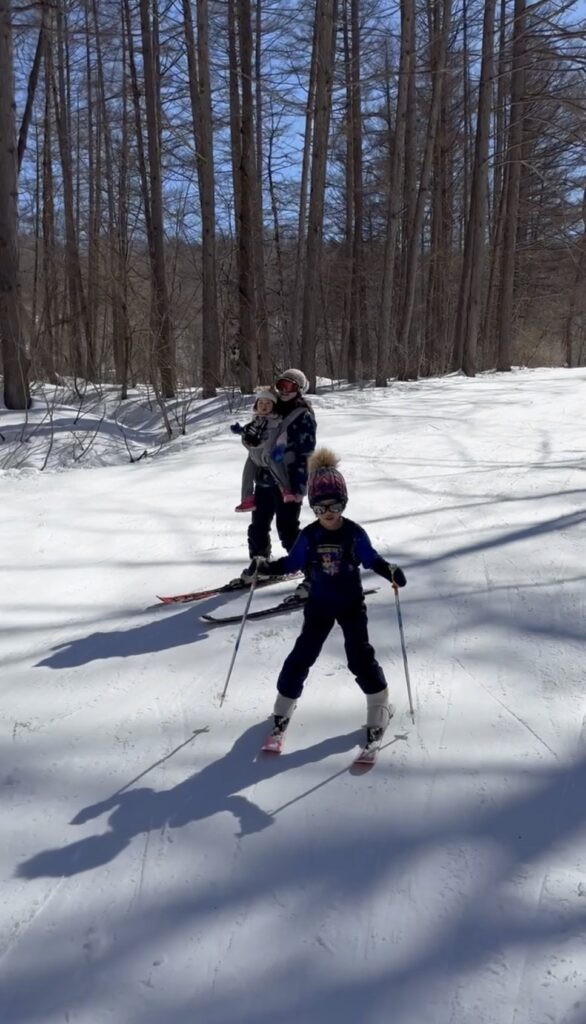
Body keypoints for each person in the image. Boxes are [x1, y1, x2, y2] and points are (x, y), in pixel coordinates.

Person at [255, 447, 407, 750]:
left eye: (335, 505)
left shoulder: (353, 533)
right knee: (301, 657)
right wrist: (266, 567)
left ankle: (379, 705)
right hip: (319, 606)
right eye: (321, 507)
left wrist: (389, 570)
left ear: (344, 503)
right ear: (313, 507)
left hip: (351, 604)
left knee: (359, 657)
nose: (328, 513)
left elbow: (372, 559)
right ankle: (283, 709)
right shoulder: (310, 535)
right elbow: (292, 564)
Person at [240, 368, 316, 588]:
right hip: (264, 478)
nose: (284, 390)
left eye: (290, 386)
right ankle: (260, 562)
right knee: (259, 524)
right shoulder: (272, 407)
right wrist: (251, 439)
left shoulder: (303, 413)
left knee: (287, 528)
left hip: (289, 480)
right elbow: (255, 439)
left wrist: (283, 449)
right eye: (281, 385)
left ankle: (313, 571)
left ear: (299, 389)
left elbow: (307, 447)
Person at [230, 389, 290, 512]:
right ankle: (247, 499)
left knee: (276, 464)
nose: (264, 406)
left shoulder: (276, 421)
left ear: (273, 406)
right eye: (261, 403)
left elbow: (283, 435)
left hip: (269, 455)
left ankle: (285, 490)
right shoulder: (254, 422)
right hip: (255, 457)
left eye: (268, 403)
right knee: (247, 471)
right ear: (256, 405)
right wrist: (240, 432)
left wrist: (280, 447)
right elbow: (248, 442)